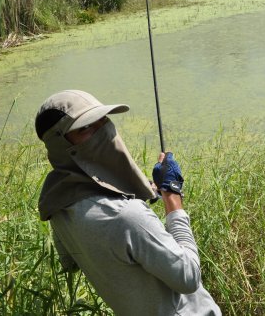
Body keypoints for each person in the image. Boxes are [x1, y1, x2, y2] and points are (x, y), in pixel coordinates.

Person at [35, 90, 221, 316]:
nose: (102, 130)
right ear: (60, 144)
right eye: (85, 128)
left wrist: (143, 191)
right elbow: (189, 277)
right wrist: (173, 200)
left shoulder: (57, 205)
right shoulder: (127, 216)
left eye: (102, 120)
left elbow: (70, 261)